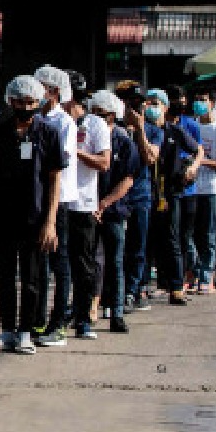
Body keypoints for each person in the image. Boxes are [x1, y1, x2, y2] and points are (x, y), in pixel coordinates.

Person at [0, 76, 64, 355]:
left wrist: (51, 222)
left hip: (35, 215)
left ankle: (27, 331)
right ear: (10, 101)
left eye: (31, 102)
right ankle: (7, 329)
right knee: (4, 276)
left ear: (39, 101)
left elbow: (55, 178)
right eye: (20, 102)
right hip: (3, 214)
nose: (25, 107)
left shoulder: (50, 132)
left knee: (32, 279)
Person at [33, 65, 80, 347]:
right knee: (39, 264)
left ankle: (58, 322)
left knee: (59, 263)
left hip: (59, 199)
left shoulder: (64, 123)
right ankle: (38, 319)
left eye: (41, 87)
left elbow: (57, 164)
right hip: (38, 198)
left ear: (54, 92)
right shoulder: (37, 119)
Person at [64, 77, 111, 340]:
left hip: (83, 204)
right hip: (59, 203)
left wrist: (76, 152)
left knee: (83, 264)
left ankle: (84, 317)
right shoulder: (57, 121)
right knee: (59, 266)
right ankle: (59, 315)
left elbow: (104, 163)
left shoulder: (95, 124)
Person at [90, 91, 138, 333]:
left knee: (115, 263)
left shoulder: (124, 141)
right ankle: (89, 309)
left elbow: (127, 180)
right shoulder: (85, 138)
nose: (95, 118)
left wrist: (104, 203)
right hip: (88, 209)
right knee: (91, 262)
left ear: (111, 116)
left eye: (101, 114)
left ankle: (117, 313)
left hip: (113, 210)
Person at [119, 83, 161, 313]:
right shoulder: (115, 128)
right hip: (117, 195)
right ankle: (114, 291)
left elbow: (150, 158)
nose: (135, 107)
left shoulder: (154, 130)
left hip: (140, 195)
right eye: (131, 102)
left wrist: (141, 130)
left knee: (137, 247)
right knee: (116, 249)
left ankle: (133, 290)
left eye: (139, 103)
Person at [155, 90, 199, 305]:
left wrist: (192, 167)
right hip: (150, 191)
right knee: (152, 240)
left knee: (173, 239)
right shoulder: (143, 130)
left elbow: (198, 150)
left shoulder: (175, 131)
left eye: (156, 104)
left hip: (171, 192)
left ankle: (176, 286)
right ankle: (149, 285)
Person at [189, 91, 216, 295]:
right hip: (191, 187)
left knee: (208, 234)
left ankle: (207, 276)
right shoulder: (191, 125)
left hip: (211, 188)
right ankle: (193, 273)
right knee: (189, 233)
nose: (199, 103)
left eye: (203, 100)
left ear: (212, 103)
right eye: (197, 99)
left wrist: (200, 161)